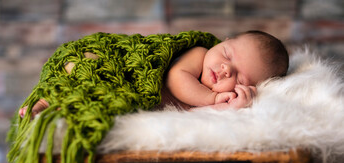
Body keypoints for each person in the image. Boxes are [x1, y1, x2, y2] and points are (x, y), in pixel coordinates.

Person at [19, 30, 289, 117]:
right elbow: (175, 79)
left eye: (240, 79)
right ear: (220, 42)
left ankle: (51, 106)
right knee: (90, 76)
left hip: (123, 90)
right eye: (227, 55)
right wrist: (213, 100)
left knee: (94, 98)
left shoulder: (214, 93)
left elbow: (200, 113)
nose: (225, 68)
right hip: (111, 63)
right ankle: (44, 101)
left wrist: (235, 104)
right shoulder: (198, 54)